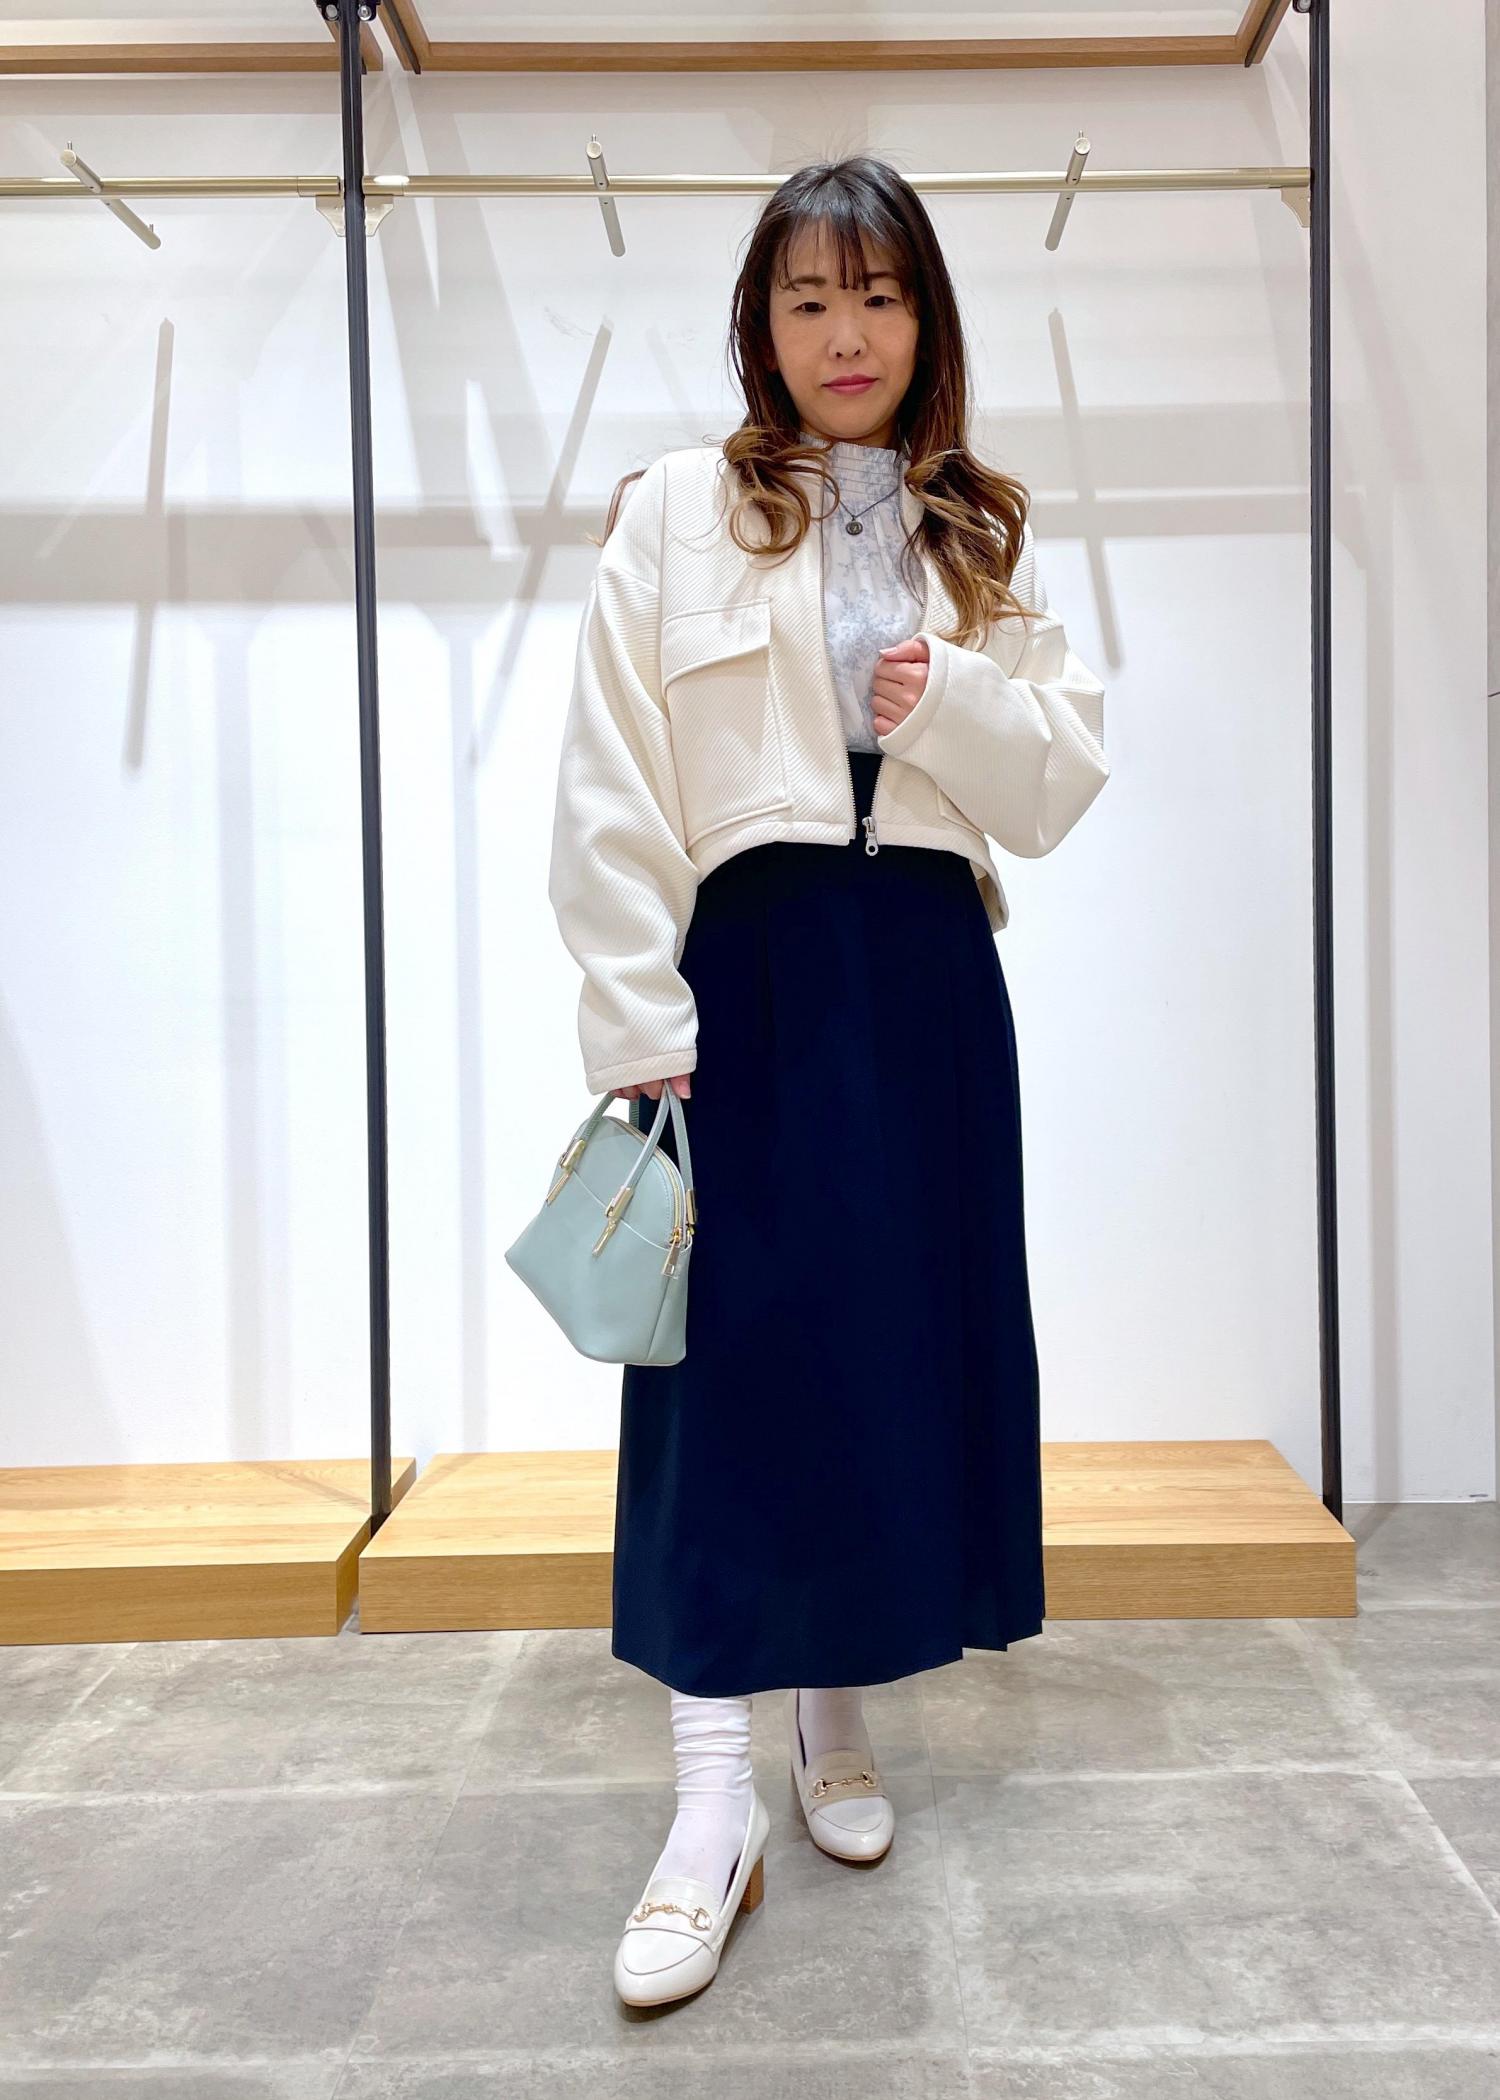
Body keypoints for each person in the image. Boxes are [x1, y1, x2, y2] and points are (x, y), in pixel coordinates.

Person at [545, 154, 1110, 2008]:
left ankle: (834, 1719)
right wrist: (637, 1025)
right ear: (760, 327)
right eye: (807, 299)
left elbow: (1062, 784)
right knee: (723, 1378)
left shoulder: (977, 535)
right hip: (748, 980)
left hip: (926, 983)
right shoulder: (677, 512)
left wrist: (947, 694)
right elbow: (611, 783)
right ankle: (711, 1808)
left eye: (876, 295)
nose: (843, 332)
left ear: (924, 318)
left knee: (882, 1358)